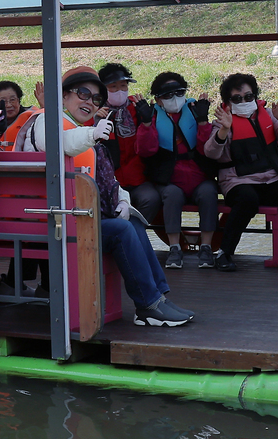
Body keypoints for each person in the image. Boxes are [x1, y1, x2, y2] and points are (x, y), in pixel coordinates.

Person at [17, 65, 194, 327]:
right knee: (121, 231)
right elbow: (55, 143)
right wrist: (91, 134)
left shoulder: (79, 129)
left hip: (76, 217)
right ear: (64, 95)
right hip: (53, 220)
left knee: (134, 223)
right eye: (83, 93)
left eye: (96, 98)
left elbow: (105, 178)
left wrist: (123, 200)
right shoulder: (47, 120)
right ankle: (147, 304)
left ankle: (158, 298)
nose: (90, 102)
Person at [203, 73, 278, 272]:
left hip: (271, 179)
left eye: (248, 97)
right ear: (228, 102)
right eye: (237, 99)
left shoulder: (267, 115)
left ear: (255, 96)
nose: (244, 102)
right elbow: (211, 152)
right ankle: (224, 253)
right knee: (247, 199)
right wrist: (224, 130)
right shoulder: (223, 122)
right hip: (238, 182)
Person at [133, 71, 219, 270]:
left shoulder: (195, 111)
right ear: (158, 99)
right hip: (169, 179)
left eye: (179, 92)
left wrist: (203, 122)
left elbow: (205, 149)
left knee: (209, 192)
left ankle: (206, 247)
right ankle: (174, 248)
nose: (174, 98)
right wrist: (146, 124)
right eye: (167, 95)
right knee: (171, 195)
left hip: (198, 176)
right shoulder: (152, 116)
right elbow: (146, 150)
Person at [97, 62, 151, 191]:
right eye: (113, 86)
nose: (120, 91)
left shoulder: (137, 107)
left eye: (123, 85)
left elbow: (149, 148)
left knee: (150, 198)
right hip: (108, 181)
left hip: (138, 177)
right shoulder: (96, 111)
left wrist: (148, 122)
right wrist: (96, 123)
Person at [0, 80, 37, 151]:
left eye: (12, 100)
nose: (9, 105)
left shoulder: (32, 118)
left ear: (19, 100)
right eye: (3, 101)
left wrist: (43, 106)